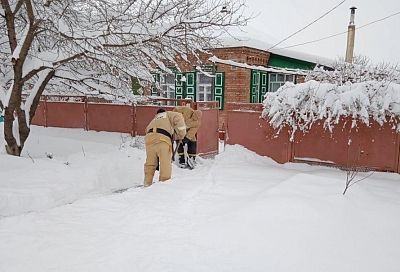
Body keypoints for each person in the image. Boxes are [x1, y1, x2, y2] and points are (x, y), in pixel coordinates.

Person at [144, 108, 186, 187]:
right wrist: (181, 134)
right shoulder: (168, 114)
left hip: (149, 139)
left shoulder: (154, 119)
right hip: (162, 139)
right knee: (165, 163)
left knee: (150, 163)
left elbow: (146, 130)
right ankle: (164, 185)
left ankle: (147, 182)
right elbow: (178, 116)